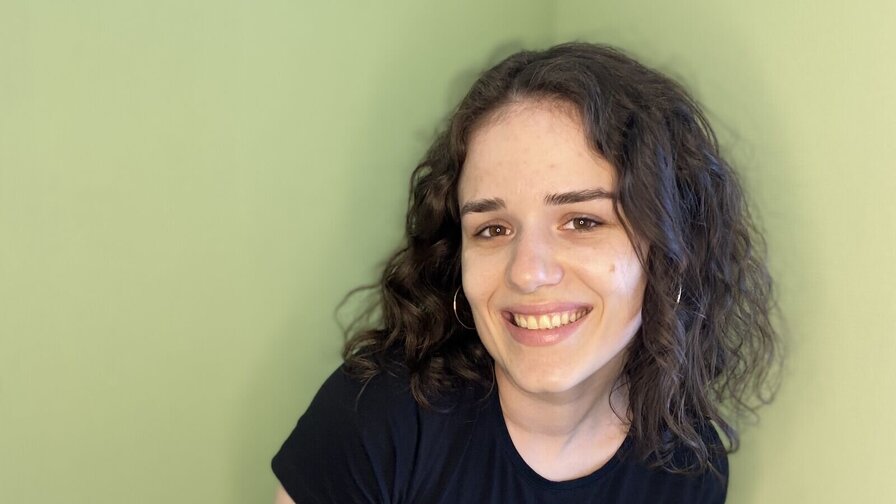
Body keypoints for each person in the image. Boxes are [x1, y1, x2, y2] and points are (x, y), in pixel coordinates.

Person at [271, 42, 779, 503]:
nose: (528, 273)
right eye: (492, 229)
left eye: (582, 222)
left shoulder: (688, 468)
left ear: (670, 252)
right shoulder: (378, 420)